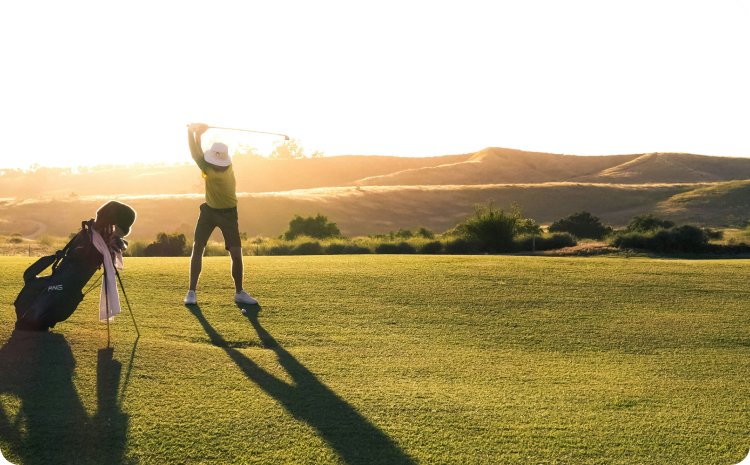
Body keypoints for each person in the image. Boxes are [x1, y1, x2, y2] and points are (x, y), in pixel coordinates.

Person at [184, 123, 258, 306]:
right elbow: (199, 154)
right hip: (209, 211)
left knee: (236, 254)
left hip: (228, 215)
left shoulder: (211, 170)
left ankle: (239, 293)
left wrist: (192, 132)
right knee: (198, 247)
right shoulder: (225, 165)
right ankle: (191, 292)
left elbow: (195, 154)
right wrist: (198, 135)